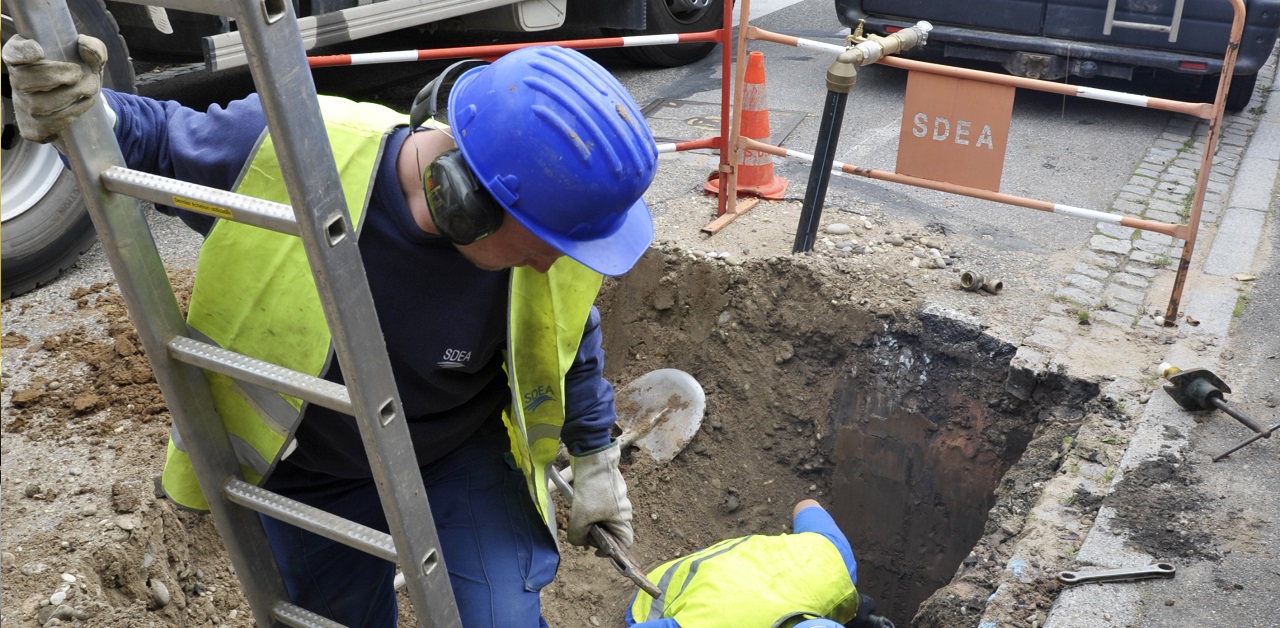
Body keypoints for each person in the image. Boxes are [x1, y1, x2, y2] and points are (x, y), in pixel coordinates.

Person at [4, 33, 659, 628]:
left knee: (500, 620)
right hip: (313, 471)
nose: (554, 260)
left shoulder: (554, 237)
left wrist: (596, 455)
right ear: (469, 197)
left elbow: (568, 334)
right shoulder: (293, 153)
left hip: (459, 452)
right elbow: (144, 140)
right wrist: (72, 114)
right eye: (544, 240)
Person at [626, 499, 895, 628]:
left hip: (730, 567)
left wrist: (855, 610)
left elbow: (806, 504)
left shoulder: (834, 553)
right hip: (658, 597)